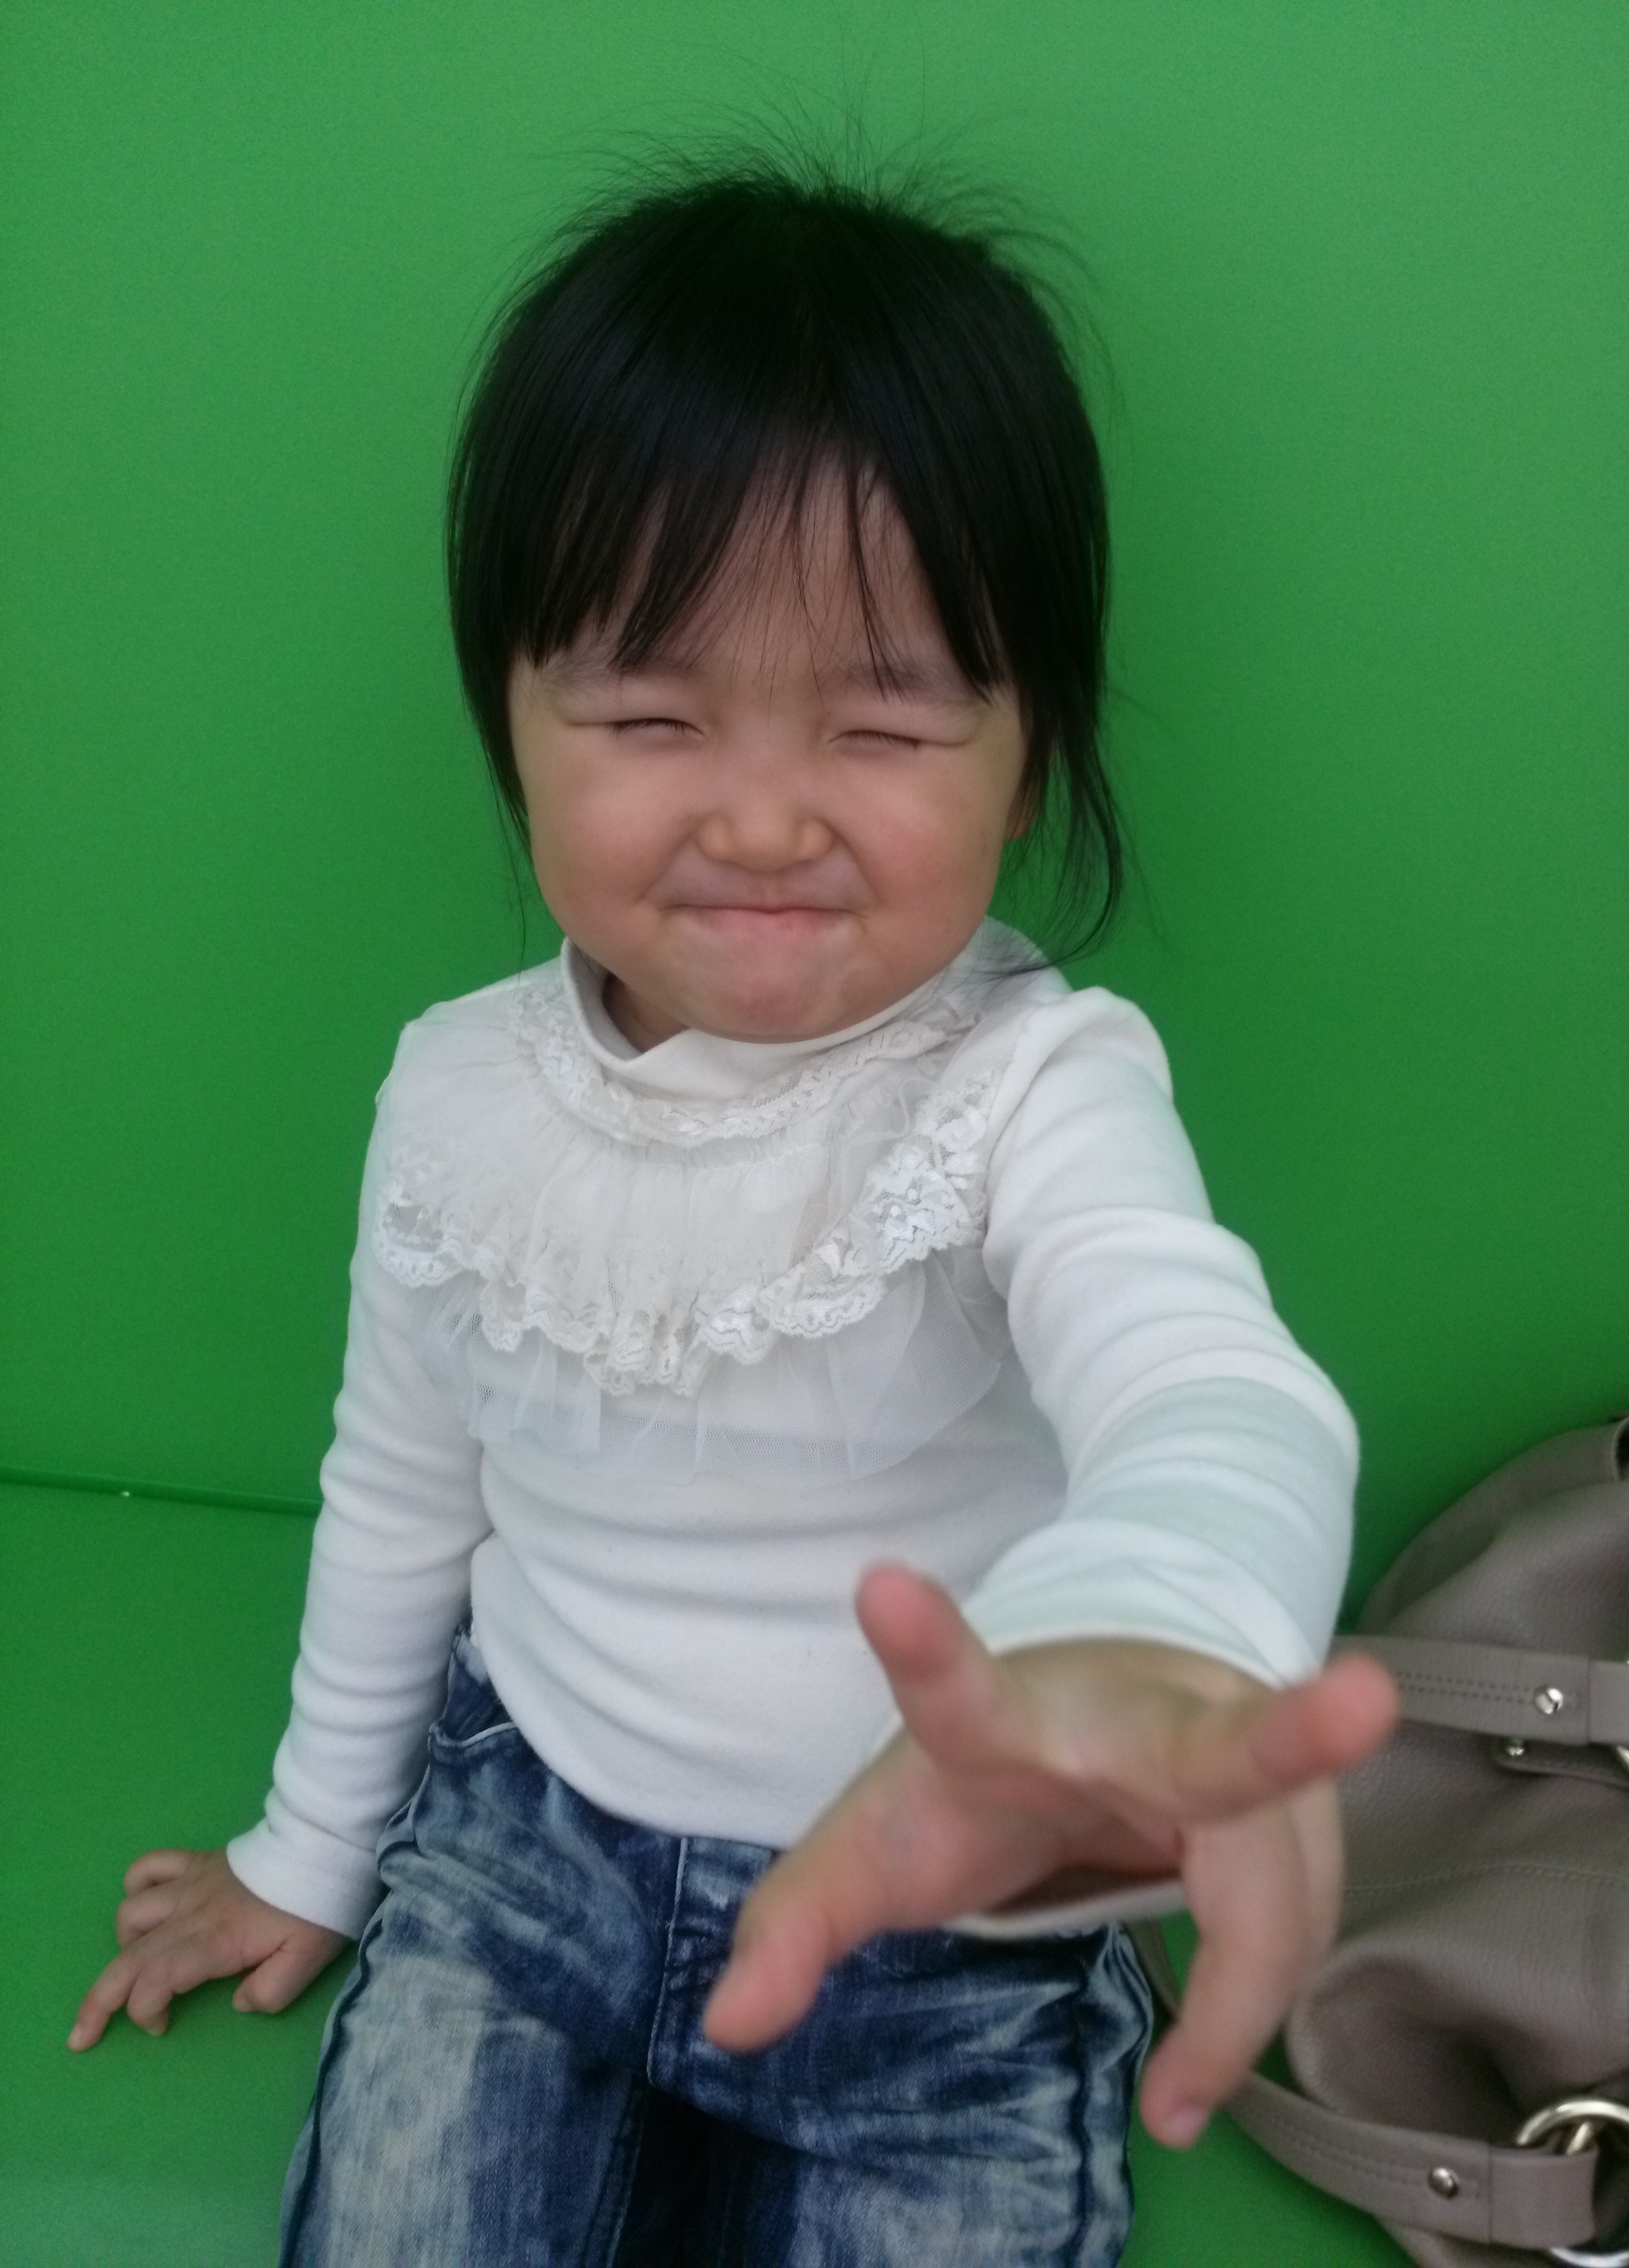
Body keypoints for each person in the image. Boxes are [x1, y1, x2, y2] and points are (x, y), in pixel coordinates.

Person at [70, 160, 1396, 2264]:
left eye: (882, 719)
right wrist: (312, 1846)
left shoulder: (1036, 1087)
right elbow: (402, 1490)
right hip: (524, 1861)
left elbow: (1207, 1381)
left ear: (1026, 760)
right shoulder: (452, 1094)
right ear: (514, 727)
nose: (766, 815)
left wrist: (1163, 1635)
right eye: (651, 714)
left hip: (946, 1919)